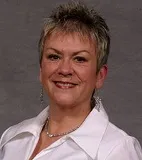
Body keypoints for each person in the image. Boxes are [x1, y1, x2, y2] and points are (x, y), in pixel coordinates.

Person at [0, 1, 142, 160]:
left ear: (100, 76)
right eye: (54, 57)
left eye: (79, 59)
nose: (65, 69)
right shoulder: (11, 139)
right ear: (41, 70)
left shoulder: (116, 150)